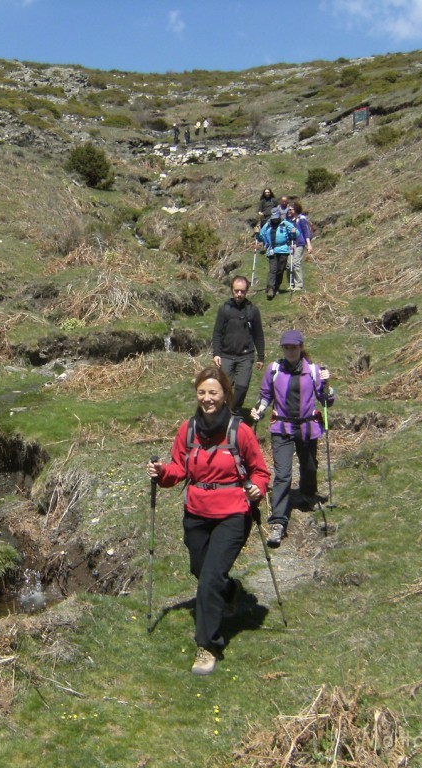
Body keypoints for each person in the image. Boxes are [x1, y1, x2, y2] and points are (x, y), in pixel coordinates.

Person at [148, 367, 270, 675]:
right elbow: (178, 469)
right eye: (202, 392)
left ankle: (208, 645)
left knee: (209, 580)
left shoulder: (240, 431)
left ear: (226, 395)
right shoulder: (188, 430)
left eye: (213, 392)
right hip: (196, 513)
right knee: (200, 571)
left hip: (233, 513)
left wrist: (257, 488)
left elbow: (259, 471)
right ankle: (230, 592)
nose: (207, 399)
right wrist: (162, 473)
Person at [251, 330, 335, 548]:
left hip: (307, 427)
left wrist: (328, 386)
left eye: (294, 348)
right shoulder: (274, 369)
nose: (290, 351)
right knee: (282, 474)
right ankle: (278, 521)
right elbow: (265, 396)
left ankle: (307, 493)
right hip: (282, 427)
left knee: (309, 467)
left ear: (300, 348)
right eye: (286, 348)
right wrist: (259, 410)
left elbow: (326, 400)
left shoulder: (314, 372)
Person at [212, 275, 265, 417]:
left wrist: (261, 356)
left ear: (246, 291)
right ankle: (223, 413)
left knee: (242, 387)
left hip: (245, 356)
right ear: (232, 290)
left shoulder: (253, 311)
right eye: (236, 291)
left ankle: (233, 411)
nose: (239, 294)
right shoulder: (224, 309)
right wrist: (216, 353)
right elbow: (217, 333)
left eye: (242, 291)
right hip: (226, 355)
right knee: (224, 388)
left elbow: (258, 334)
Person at [259, 206, 298, 300]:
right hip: (272, 250)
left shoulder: (285, 224)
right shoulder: (268, 225)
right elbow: (261, 234)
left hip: (283, 250)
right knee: (273, 269)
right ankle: (271, 288)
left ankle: (277, 286)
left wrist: (294, 232)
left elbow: (297, 234)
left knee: (280, 270)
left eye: (276, 218)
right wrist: (265, 242)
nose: (275, 220)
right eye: (273, 219)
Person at [289, 201, 313, 292]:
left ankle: (299, 284)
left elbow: (306, 232)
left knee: (296, 262)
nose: (290, 211)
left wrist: (309, 244)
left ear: (295, 209)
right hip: (294, 243)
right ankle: (295, 283)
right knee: (293, 263)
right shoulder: (293, 220)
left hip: (300, 243)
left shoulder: (301, 219)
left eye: (291, 209)